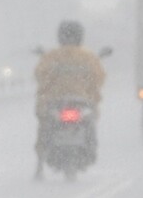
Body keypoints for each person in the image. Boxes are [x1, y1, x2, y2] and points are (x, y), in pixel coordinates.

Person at [33, 20, 105, 179]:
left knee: (44, 129)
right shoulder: (88, 57)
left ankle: (39, 167)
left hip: (55, 101)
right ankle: (89, 150)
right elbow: (98, 78)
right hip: (82, 101)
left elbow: (40, 76)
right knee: (90, 124)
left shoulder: (51, 56)